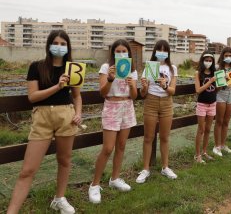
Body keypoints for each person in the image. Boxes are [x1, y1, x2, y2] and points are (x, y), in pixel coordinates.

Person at [7, 30, 82, 214]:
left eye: (63, 44)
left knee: (64, 160)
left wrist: (78, 113)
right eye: (56, 43)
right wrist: (58, 86)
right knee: (27, 170)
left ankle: (59, 198)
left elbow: (77, 96)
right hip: (42, 117)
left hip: (66, 116)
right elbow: (33, 97)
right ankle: (12, 211)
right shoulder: (37, 67)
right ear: (49, 45)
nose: (59, 46)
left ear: (68, 47)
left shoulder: (73, 69)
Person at [88, 39, 138, 204]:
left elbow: (135, 96)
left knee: (122, 145)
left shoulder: (132, 69)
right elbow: (102, 93)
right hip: (111, 106)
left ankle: (115, 178)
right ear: (113, 53)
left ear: (129, 53)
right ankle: (94, 184)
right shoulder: (105, 68)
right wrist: (110, 79)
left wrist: (131, 85)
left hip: (127, 107)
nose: (121, 54)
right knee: (108, 148)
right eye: (118, 51)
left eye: (124, 51)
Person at [136, 40, 178, 183]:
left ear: (168, 52)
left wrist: (165, 85)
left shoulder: (172, 68)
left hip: (167, 103)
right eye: (159, 50)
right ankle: (145, 169)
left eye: (164, 50)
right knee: (148, 137)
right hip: (151, 102)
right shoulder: (149, 66)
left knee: (165, 137)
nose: (162, 52)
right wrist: (144, 86)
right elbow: (142, 93)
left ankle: (165, 167)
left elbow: (172, 91)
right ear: (154, 51)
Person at [212, 47, 231, 157]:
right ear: (222, 56)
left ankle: (223, 144)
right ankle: (216, 146)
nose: (228, 58)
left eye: (230, 56)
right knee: (219, 121)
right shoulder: (217, 68)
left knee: (226, 122)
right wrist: (223, 80)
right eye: (226, 56)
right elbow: (216, 86)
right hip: (221, 94)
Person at [194, 51, 217, 163]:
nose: (208, 62)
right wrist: (210, 82)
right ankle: (197, 155)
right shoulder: (198, 73)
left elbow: (218, 89)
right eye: (206, 60)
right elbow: (198, 90)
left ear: (213, 62)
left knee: (208, 129)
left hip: (212, 104)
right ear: (202, 60)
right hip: (202, 104)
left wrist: (223, 82)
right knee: (201, 130)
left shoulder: (215, 73)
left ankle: (204, 152)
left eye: (210, 60)